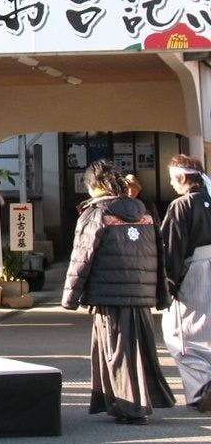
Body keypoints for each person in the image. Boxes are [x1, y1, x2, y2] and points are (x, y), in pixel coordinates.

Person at [61, 159, 175, 424]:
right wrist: (160, 293)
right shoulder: (144, 211)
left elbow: (82, 256)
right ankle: (125, 404)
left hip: (108, 294)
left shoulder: (96, 212)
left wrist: (70, 297)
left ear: (95, 186)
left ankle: (130, 407)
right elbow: (158, 253)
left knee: (115, 351)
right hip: (140, 294)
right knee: (138, 350)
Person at [160, 154, 211, 411]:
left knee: (180, 336)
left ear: (181, 178)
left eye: (172, 179)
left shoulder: (182, 205)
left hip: (195, 271)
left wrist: (167, 285)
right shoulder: (208, 200)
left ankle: (202, 386)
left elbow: (172, 248)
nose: (171, 184)